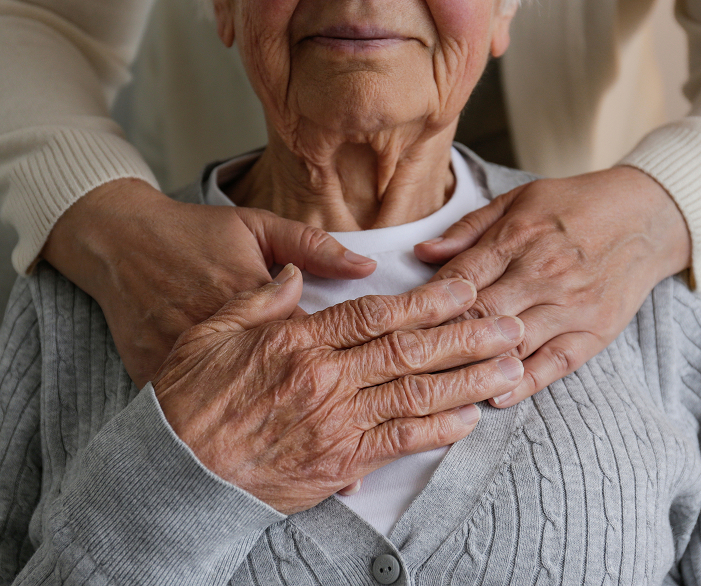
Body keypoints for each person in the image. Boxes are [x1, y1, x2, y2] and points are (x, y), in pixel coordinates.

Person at [3, 0, 701, 583]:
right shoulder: (82, 293)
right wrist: (183, 480)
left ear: (502, 9)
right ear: (223, 7)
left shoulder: (641, 294)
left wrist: (666, 201)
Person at [0, 0, 694, 406]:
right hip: (185, 225)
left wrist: (663, 199)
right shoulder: (65, 316)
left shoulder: (658, 323)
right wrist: (103, 217)